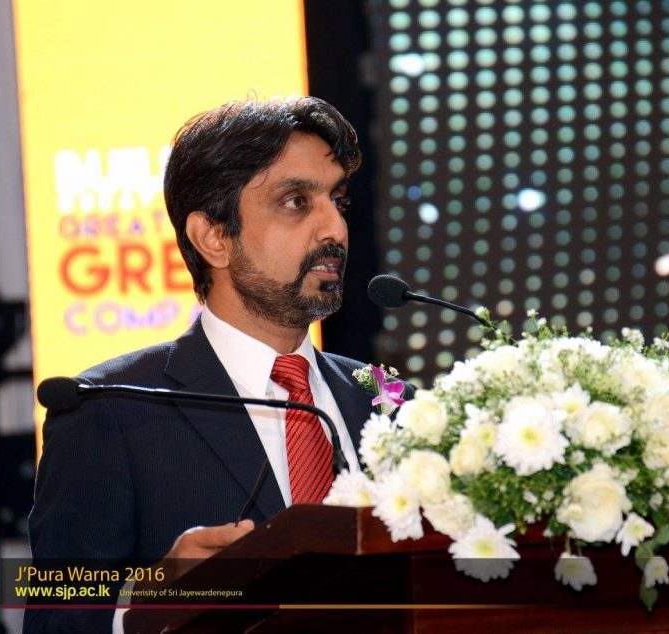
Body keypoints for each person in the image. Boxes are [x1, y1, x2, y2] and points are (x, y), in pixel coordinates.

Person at [25, 96, 401, 632]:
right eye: (296, 201)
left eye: (337, 200)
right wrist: (148, 599)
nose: (335, 230)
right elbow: (54, 622)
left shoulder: (390, 403)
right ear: (214, 237)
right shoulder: (106, 412)